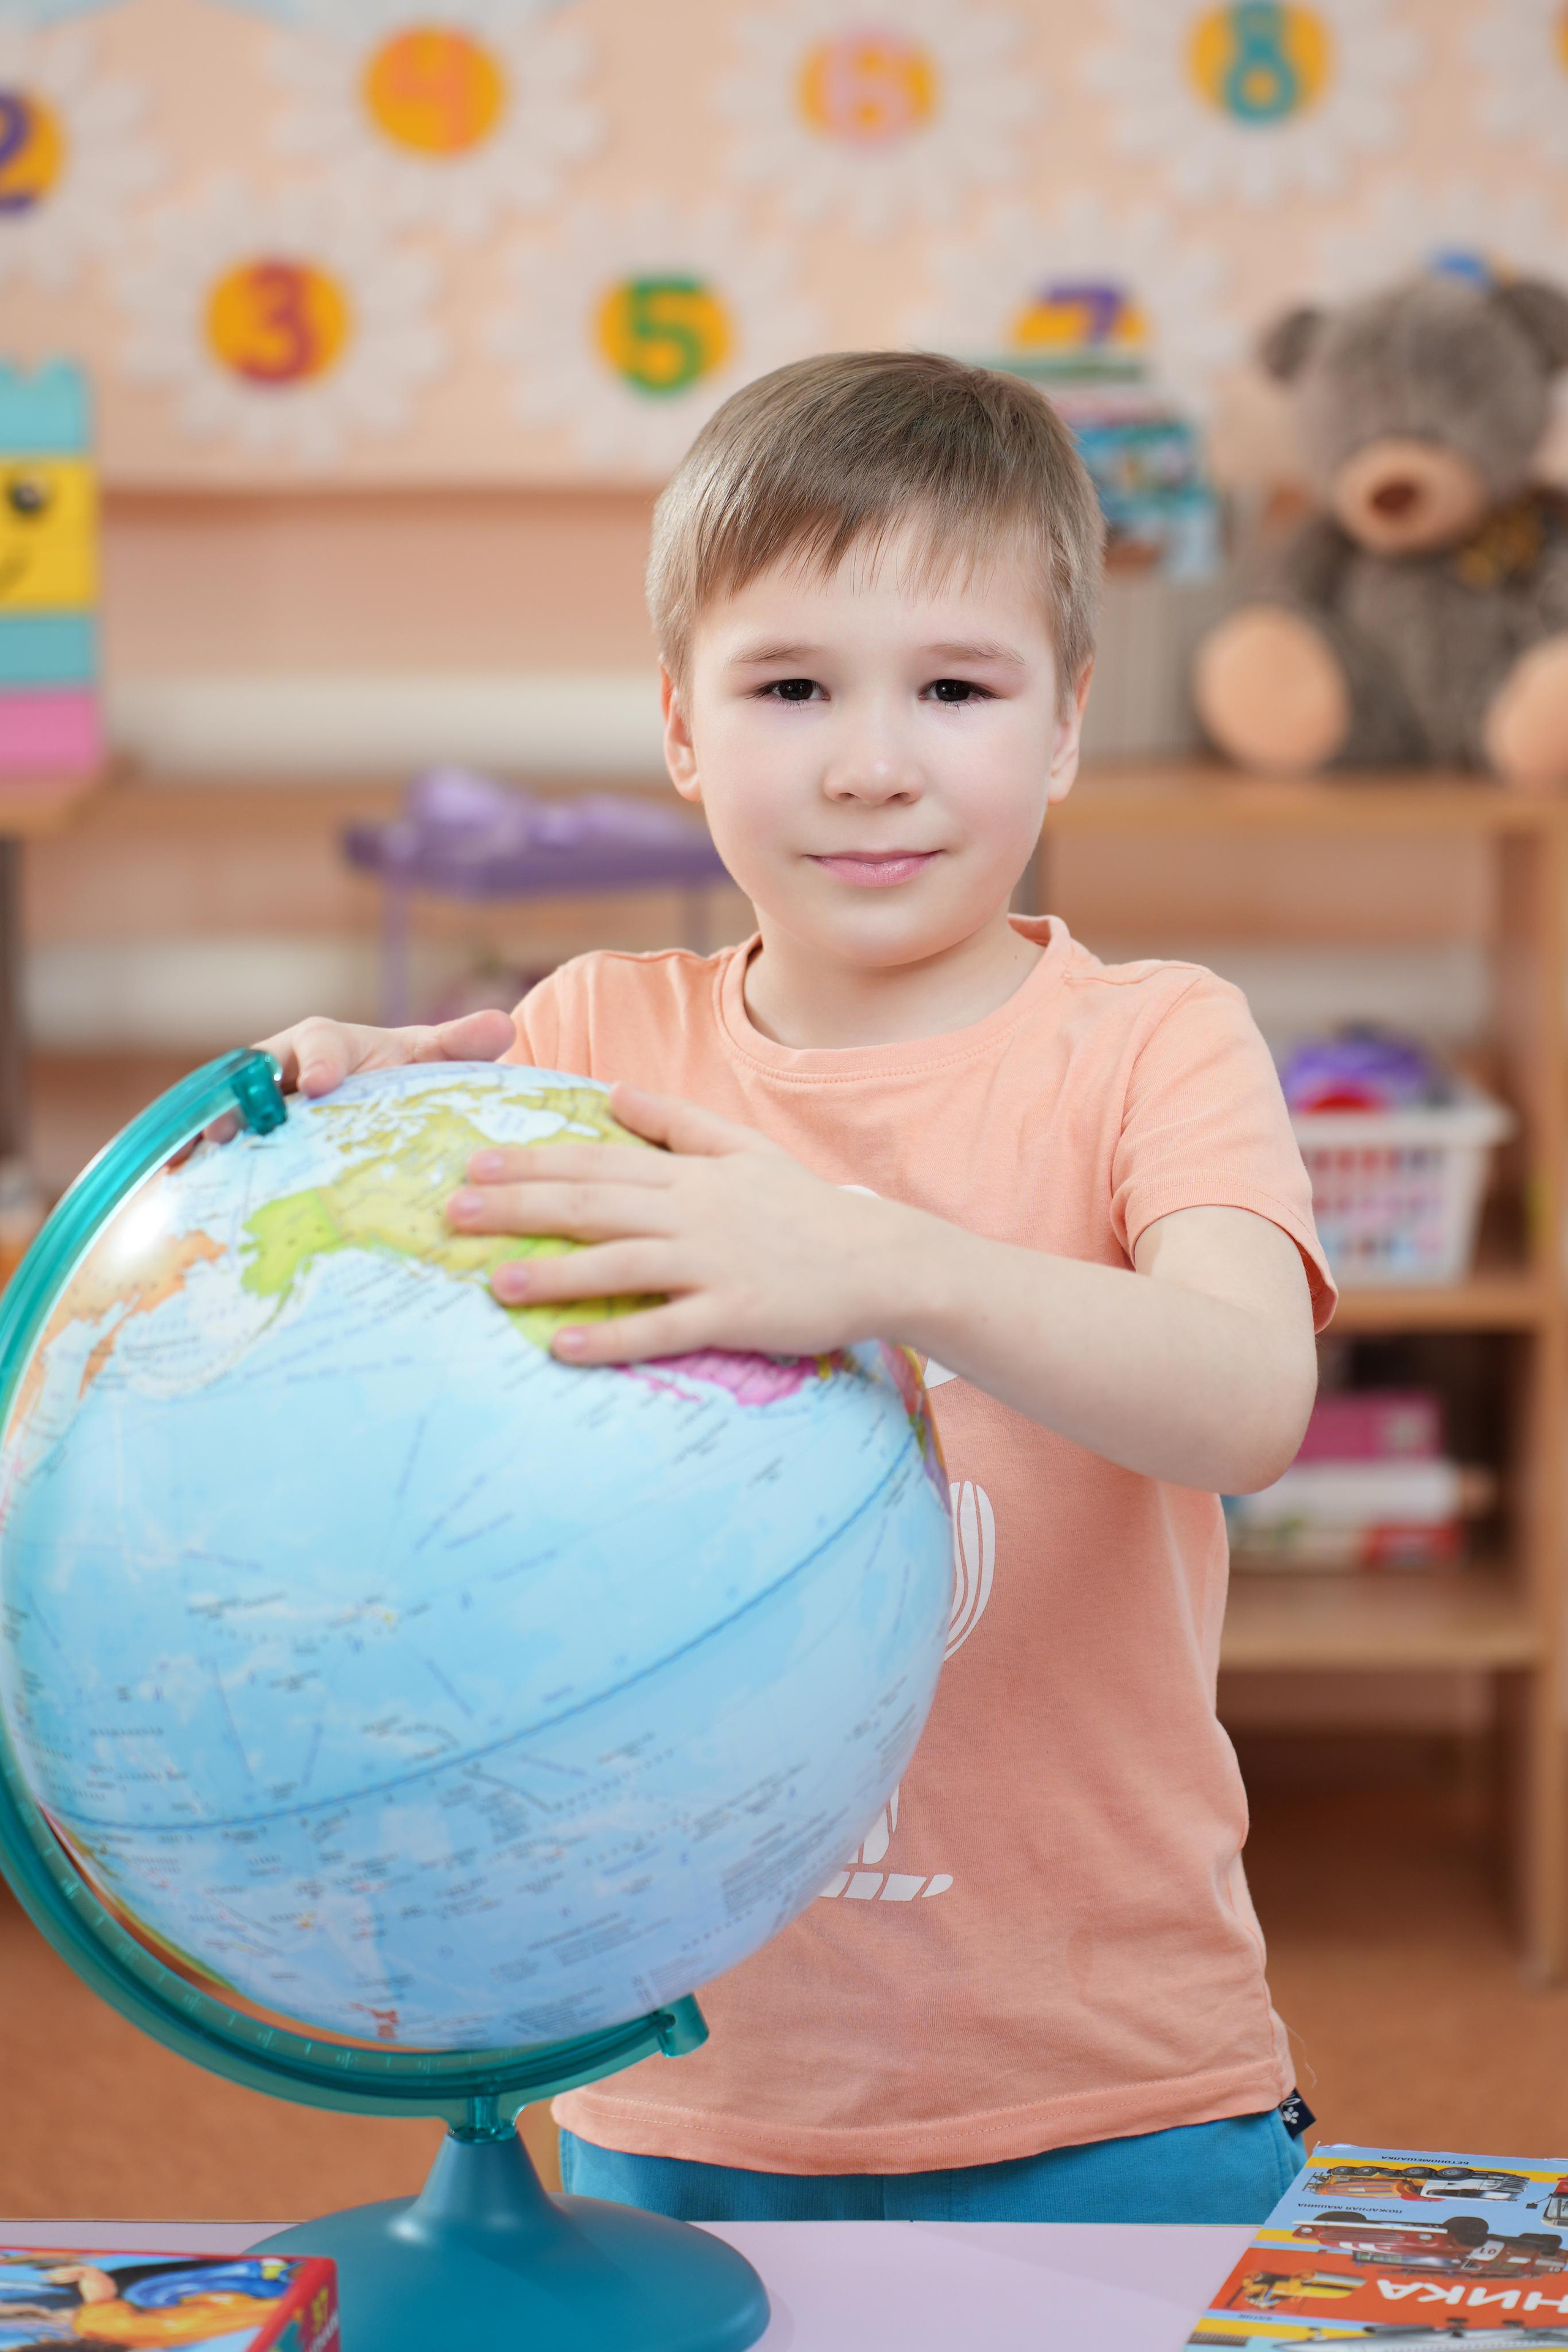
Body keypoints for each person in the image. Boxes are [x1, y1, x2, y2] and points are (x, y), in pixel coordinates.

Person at [257, 350, 1333, 2225]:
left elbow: (1249, 1392)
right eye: (790, 687)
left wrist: (880, 1264)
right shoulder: (595, 1029)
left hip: (1117, 2086)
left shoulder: (1158, 1041)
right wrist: (343, 1107)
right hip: (688, 2090)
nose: (870, 758)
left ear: (1065, 724)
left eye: (955, 686)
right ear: (682, 726)